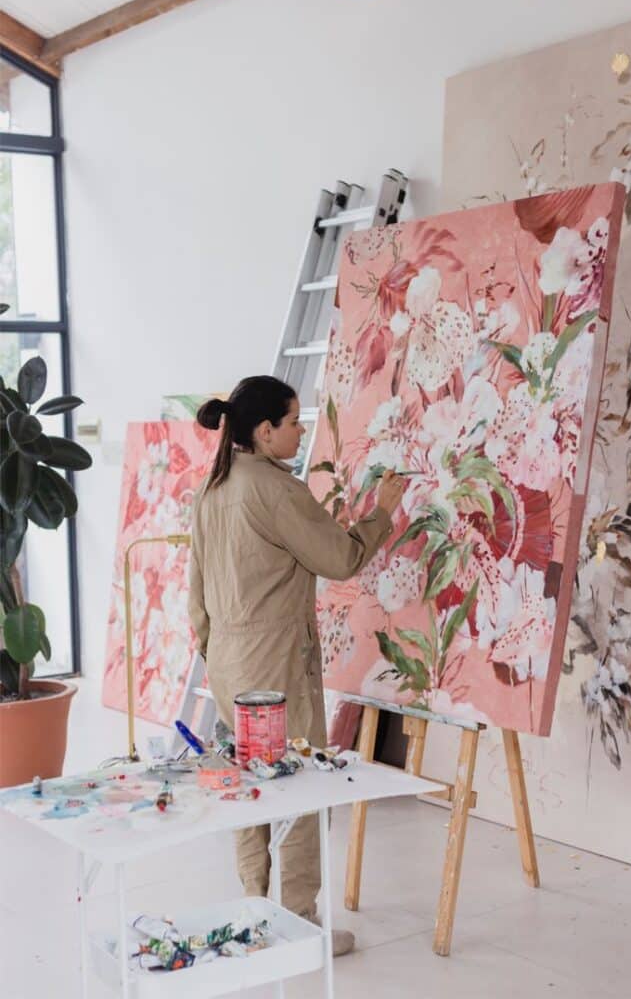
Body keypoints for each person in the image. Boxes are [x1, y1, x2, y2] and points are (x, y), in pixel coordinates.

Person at [188, 375, 405, 957]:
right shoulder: (276, 491)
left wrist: (218, 655)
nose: (302, 429)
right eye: (293, 421)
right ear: (264, 431)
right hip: (277, 667)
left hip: (231, 666)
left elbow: (196, 596)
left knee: (250, 793)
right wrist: (380, 512)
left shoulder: (214, 488)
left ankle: (255, 913)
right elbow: (340, 558)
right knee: (297, 789)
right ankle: (299, 925)